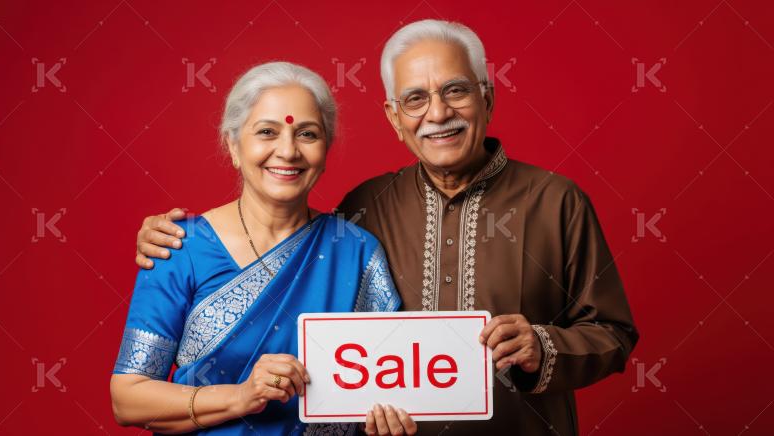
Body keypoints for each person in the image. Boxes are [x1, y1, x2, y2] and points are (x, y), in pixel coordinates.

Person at [134, 20, 639, 435]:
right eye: (415, 100)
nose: (438, 113)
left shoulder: (556, 201)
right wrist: (173, 236)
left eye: (456, 91)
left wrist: (543, 344)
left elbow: (613, 334)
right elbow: (289, 242)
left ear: (488, 98)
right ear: (394, 118)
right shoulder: (366, 207)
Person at [110, 61, 417, 436]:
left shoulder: (356, 252)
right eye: (267, 132)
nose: (287, 151)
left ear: (326, 149)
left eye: (307, 134)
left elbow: (387, 386)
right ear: (233, 145)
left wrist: (388, 420)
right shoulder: (179, 246)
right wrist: (240, 397)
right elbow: (128, 399)